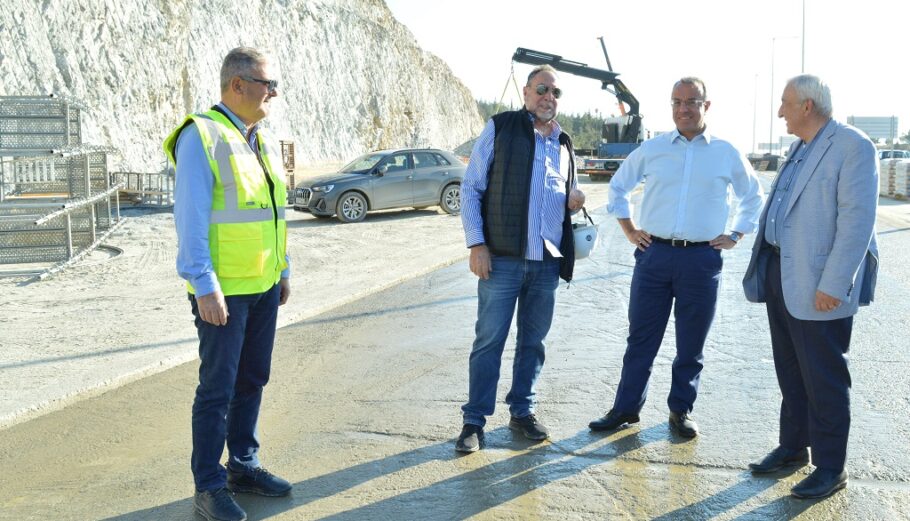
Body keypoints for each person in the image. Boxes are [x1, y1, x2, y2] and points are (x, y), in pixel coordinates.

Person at [589, 77, 763, 438]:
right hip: (653, 256)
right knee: (641, 339)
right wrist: (629, 229)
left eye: (691, 102)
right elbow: (618, 186)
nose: (683, 108)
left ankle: (680, 410)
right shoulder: (652, 150)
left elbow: (753, 196)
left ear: (706, 106)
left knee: (691, 343)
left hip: (701, 260)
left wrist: (735, 234)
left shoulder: (725, 152)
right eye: (677, 102)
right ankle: (625, 408)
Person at [164, 47, 292, 521]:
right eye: (267, 84)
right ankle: (209, 485)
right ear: (237, 85)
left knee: (252, 379)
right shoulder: (203, 135)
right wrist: (203, 284)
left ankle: (242, 464)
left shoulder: (260, 138)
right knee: (216, 388)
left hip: (262, 285)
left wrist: (283, 269)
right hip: (223, 290)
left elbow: (272, 212)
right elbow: (191, 218)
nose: (274, 93)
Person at [743, 74, 878, 499]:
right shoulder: (800, 148)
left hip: (820, 284)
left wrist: (835, 284)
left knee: (824, 378)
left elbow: (857, 221)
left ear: (807, 106)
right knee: (791, 370)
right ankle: (792, 447)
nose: (779, 111)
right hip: (783, 276)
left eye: (784, 103)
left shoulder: (853, 146)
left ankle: (830, 466)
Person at [456, 64, 586, 453]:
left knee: (534, 342)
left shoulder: (564, 142)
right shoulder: (501, 127)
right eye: (542, 89)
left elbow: (567, 196)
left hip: (546, 263)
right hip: (502, 261)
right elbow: (471, 188)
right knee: (489, 341)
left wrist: (575, 202)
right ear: (527, 93)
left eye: (556, 92)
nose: (549, 97)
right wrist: (477, 245)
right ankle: (474, 421)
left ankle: (522, 411)